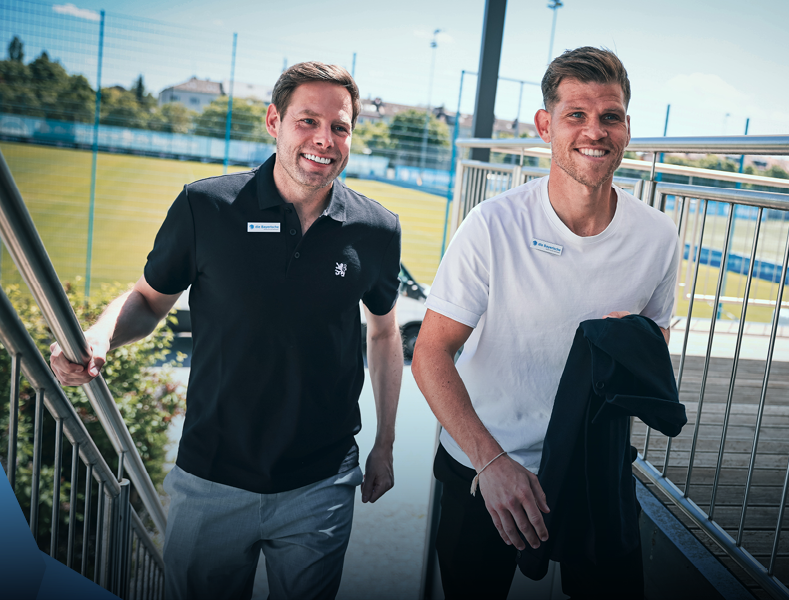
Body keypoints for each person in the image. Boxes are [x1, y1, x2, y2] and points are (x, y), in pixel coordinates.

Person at [50, 62, 404, 600]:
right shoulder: (206, 205)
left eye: (340, 127)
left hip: (322, 483)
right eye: (307, 121)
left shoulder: (377, 229)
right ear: (274, 121)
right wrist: (98, 337)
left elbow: (383, 334)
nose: (324, 140)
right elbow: (147, 300)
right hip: (211, 477)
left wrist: (385, 444)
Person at [411, 47, 680, 599]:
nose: (595, 131)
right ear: (545, 126)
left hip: (592, 472)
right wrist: (493, 464)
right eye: (576, 115)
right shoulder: (493, 224)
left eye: (611, 116)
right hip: (484, 467)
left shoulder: (657, 237)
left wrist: (629, 341)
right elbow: (430, 354)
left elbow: (653, 351)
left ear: (627, 127)